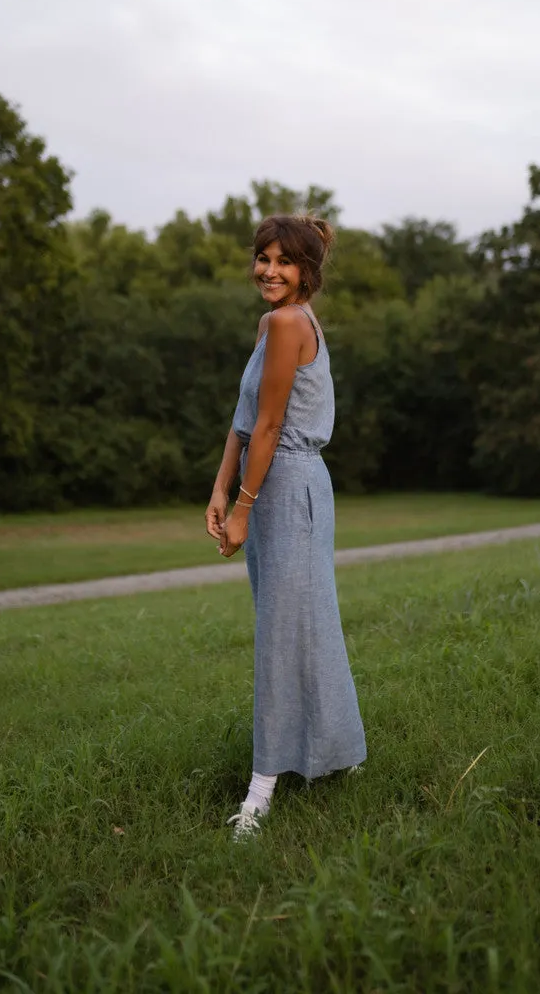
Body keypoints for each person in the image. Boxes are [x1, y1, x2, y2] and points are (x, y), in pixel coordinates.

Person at [205, 213, 367, 840]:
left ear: (307, 273)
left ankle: (263, 786)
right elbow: (244, 421)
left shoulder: (291, 322)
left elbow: (272, 427)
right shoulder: (271, 323)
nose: (269, 271)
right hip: (266, 483)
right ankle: (339, 755)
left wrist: (243, 506)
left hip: (289, 485)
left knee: (287, 631)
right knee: (301, 625)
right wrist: (221, 490)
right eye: (262, 258)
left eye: (284, 262)